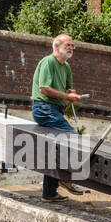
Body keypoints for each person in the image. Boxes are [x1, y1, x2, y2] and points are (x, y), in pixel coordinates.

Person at [31, 34, 87, 202]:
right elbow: (44, 89)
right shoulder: (48, 62)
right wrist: (66, 96)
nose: (71, 48)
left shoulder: (66, 67)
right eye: (67, 45)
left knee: (54, 148)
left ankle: (49, 192)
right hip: (43, 108)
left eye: (72, 46)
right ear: (56, 47)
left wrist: (72, 94)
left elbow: (69, 89)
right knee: (72, 138)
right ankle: (65, 177)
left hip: (56, 110)